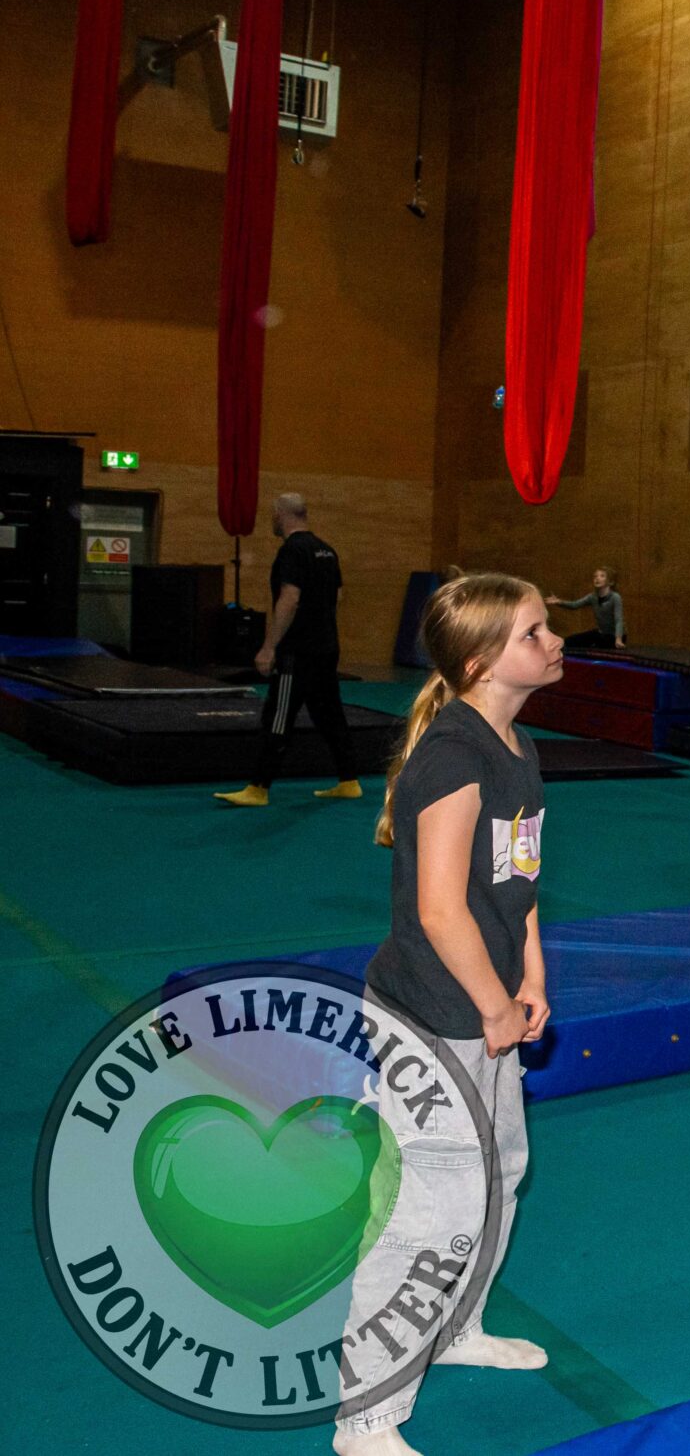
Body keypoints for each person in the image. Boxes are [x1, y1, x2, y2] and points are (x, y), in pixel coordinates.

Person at [333, 574, 563, 1456]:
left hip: (486, 1005)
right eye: (535, 632)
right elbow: (439, 909)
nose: (553, 642)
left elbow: (520, 879)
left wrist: (531, 976)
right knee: (426, 1209)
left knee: (499, 1173)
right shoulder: (454, 758)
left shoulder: (516, 742)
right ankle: (367, 1416)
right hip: (433, 1014)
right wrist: (494, 1003)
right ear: (481, 661)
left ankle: (454, 1329)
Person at [216, 492, 361, 806]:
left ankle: (258, 787)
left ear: (282, 514)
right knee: (329, 714)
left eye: (272, 514)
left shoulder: (292, 551)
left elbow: (290, 598)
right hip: (326, 647)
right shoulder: (327, 551)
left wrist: (269, 647)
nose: (271, 519)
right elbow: (338, 598)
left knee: (278, 716)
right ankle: (349, 780)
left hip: (298, 652)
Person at [545, 567, 625, 648]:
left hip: (614, 636)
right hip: (602, 633)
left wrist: (618, 639)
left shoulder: (615, 597)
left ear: (610, 582)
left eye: (602, 576)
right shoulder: (592, 597)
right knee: (571, 641)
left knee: (597, 644)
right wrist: (559, 602)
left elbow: (618, 620)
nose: (597, 578)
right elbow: (574, 605)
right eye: (595, 576)